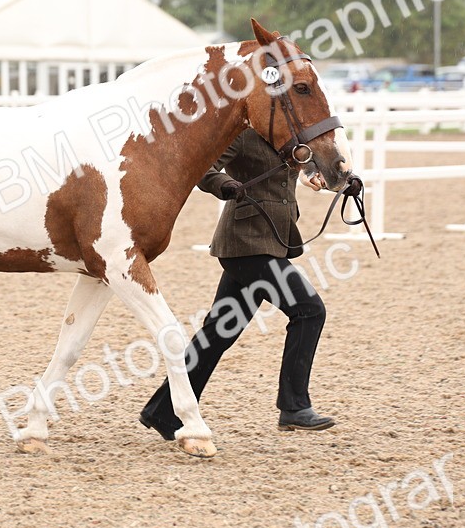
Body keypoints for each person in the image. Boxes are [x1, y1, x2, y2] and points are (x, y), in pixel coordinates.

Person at [139, 127, 335, 439]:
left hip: (270, 242)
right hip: (245, 244)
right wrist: (226, 184)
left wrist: (331, 177)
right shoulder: (243, 135)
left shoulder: (289, 134)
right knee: (309, 310)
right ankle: (294, 406)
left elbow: (308, 161)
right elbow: (206, 170)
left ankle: (164, 410)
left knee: (218, 332)